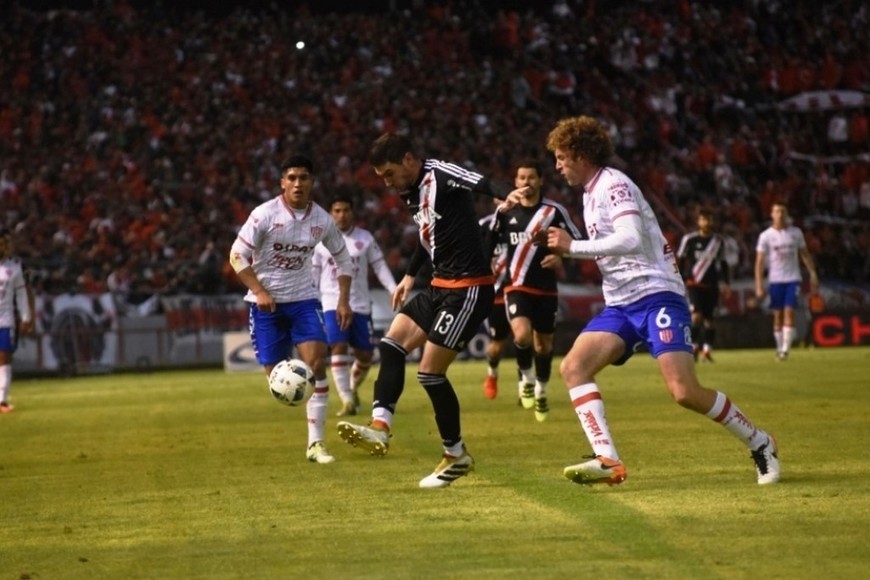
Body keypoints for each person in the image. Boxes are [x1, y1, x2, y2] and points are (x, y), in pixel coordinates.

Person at [544, 116, 780, 486]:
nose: (557, 166)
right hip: (621, 304)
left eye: (560, 157)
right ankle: (608, 460)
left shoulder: (614, 185)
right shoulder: (589, 193)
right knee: (573, 367)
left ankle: (761, 441)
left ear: (580, 153)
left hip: (657, 296)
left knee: (684, 392)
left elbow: (630, 239)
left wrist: (572, 248)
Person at [336, 132, 529, 489]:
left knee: (429, 373)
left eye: (389, 173)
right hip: (439, 285)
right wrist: (410, 276)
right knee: (391, 345)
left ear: (409, 159)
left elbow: (480, 181)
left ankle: (456, 454)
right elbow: (429, 236)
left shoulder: (440, 173)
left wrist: (508, 192)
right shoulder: (411, 191)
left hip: (469, 289)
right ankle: (380, 427)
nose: (387, 182)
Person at [229, 155, 353, 464]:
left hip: (302, 300)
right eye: (292, 178)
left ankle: (316, 444)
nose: (298, 183)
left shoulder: (322, 220)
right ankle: (298, 398)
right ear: (283, 182)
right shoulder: (264, 215)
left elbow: (344, 258)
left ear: (312, 183)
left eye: (304, 178)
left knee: (316, 363)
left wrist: (343, 299)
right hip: (266, 306)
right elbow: (236, 256)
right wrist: (258, 291)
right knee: (277, 379)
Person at [485, 159, 583, 421]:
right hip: (515, 286)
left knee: (544, 344)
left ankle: (541, 391)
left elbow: (579, 241)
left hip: (546, 288)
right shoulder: (505, 212)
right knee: (522, 334)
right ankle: (526, 379)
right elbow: (488, 243)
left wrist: (562, 258)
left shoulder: (554, 211)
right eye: (521, 178)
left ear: (540, 180)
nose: (526, 183)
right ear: (515, 182)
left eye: (531, 178)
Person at [311, 193, 397, 417]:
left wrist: (394, 289)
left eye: (345, 210)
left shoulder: (365, 238)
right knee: (338, 346)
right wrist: (310, 296)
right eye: (337, 211)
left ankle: (350, 388)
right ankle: (347, 400)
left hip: (359, 304)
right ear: (330, 214)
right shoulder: (320, 241)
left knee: (365, 356)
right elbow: (313, 273)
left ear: (352, 212)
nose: (341, 215)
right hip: (330, 301)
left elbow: (379, 266)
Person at [754, 202, 819, 360]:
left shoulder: (796, 233)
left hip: (793, 278)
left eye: (782, 211)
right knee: (778, 315)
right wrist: (759, 285)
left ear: (786, 213)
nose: (780, 214)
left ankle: (785, 350)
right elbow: (759, 262)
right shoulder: (765, 236)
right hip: (775, 280)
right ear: (772, 214)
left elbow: (804, 254)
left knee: (789, 312)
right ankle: (779, 346)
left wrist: (812, 273)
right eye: (776, 211)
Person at [676, 209, 731, 362]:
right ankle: (693, 347)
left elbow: (723, 263)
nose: (706, 223)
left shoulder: (718, 242)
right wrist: (681, 277)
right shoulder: (689, 240)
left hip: (711, 285)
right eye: (703, 219)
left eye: (709, 219)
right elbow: (679, 260)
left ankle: (707, 350)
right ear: (698, 222)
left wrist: (726, 282)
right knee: (696, 316)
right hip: (695, 284)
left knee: (709, 319)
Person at [479, 203, 512, 401]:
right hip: (495, 291)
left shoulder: (523, 223)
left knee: (528, 336)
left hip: (519, 285)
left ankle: (525, 383)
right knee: (498, 344)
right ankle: (492, 374)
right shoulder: (484, 225)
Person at [0, 230, 34, 414]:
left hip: (5, 320)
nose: (1, 246)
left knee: (4, 359)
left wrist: (26, 317)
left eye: (3, 243)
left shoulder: (14, 268)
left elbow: (21, 294)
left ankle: (2, 401)